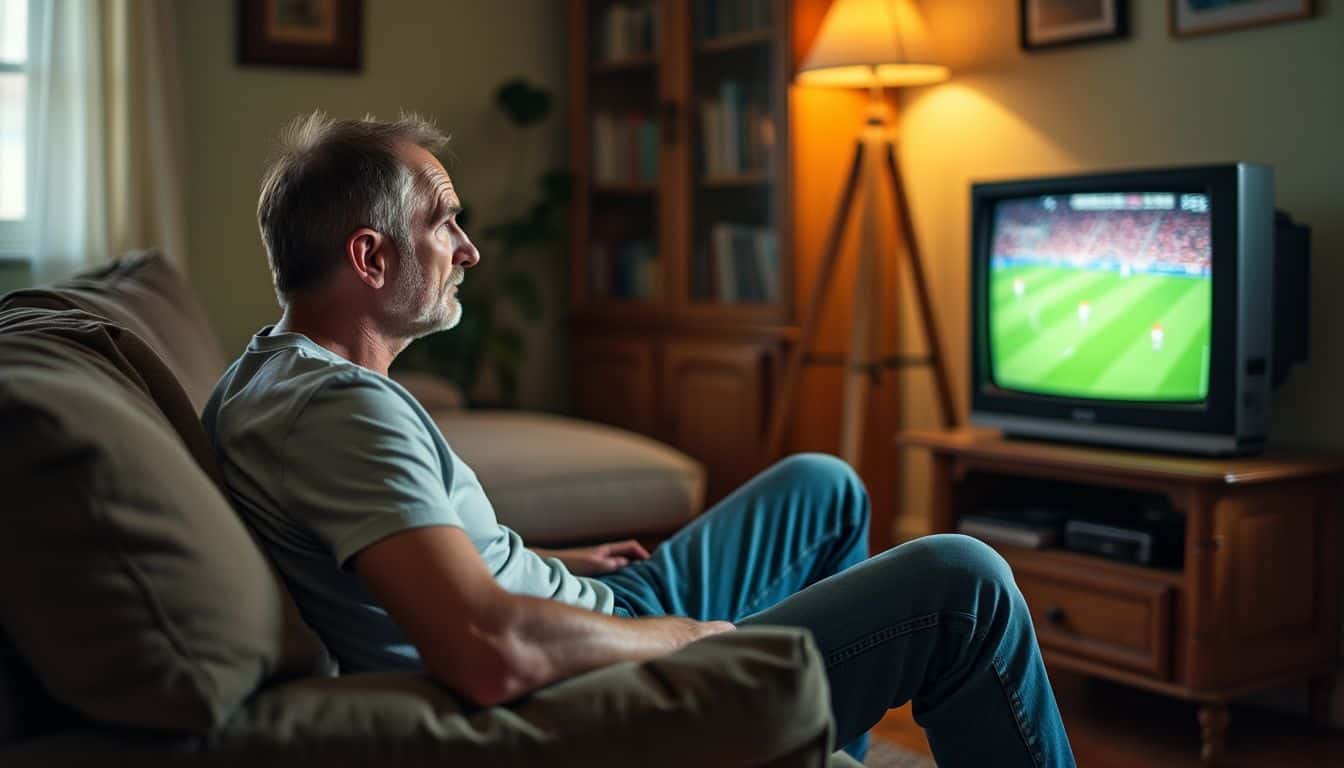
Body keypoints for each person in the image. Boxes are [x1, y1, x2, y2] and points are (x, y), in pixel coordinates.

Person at [203, 111, 1075, 767]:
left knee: (824, 485)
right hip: (600, 682)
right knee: (963, 581)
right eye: (443, 221)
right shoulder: (343, 413)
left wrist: (550, 558)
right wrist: (688, 640)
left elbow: (399, 553)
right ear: (370, 258)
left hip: (589, 612)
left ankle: (797, 737)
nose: (467, 250)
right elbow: (490, 649)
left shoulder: (265, 373)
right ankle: (768, 721)